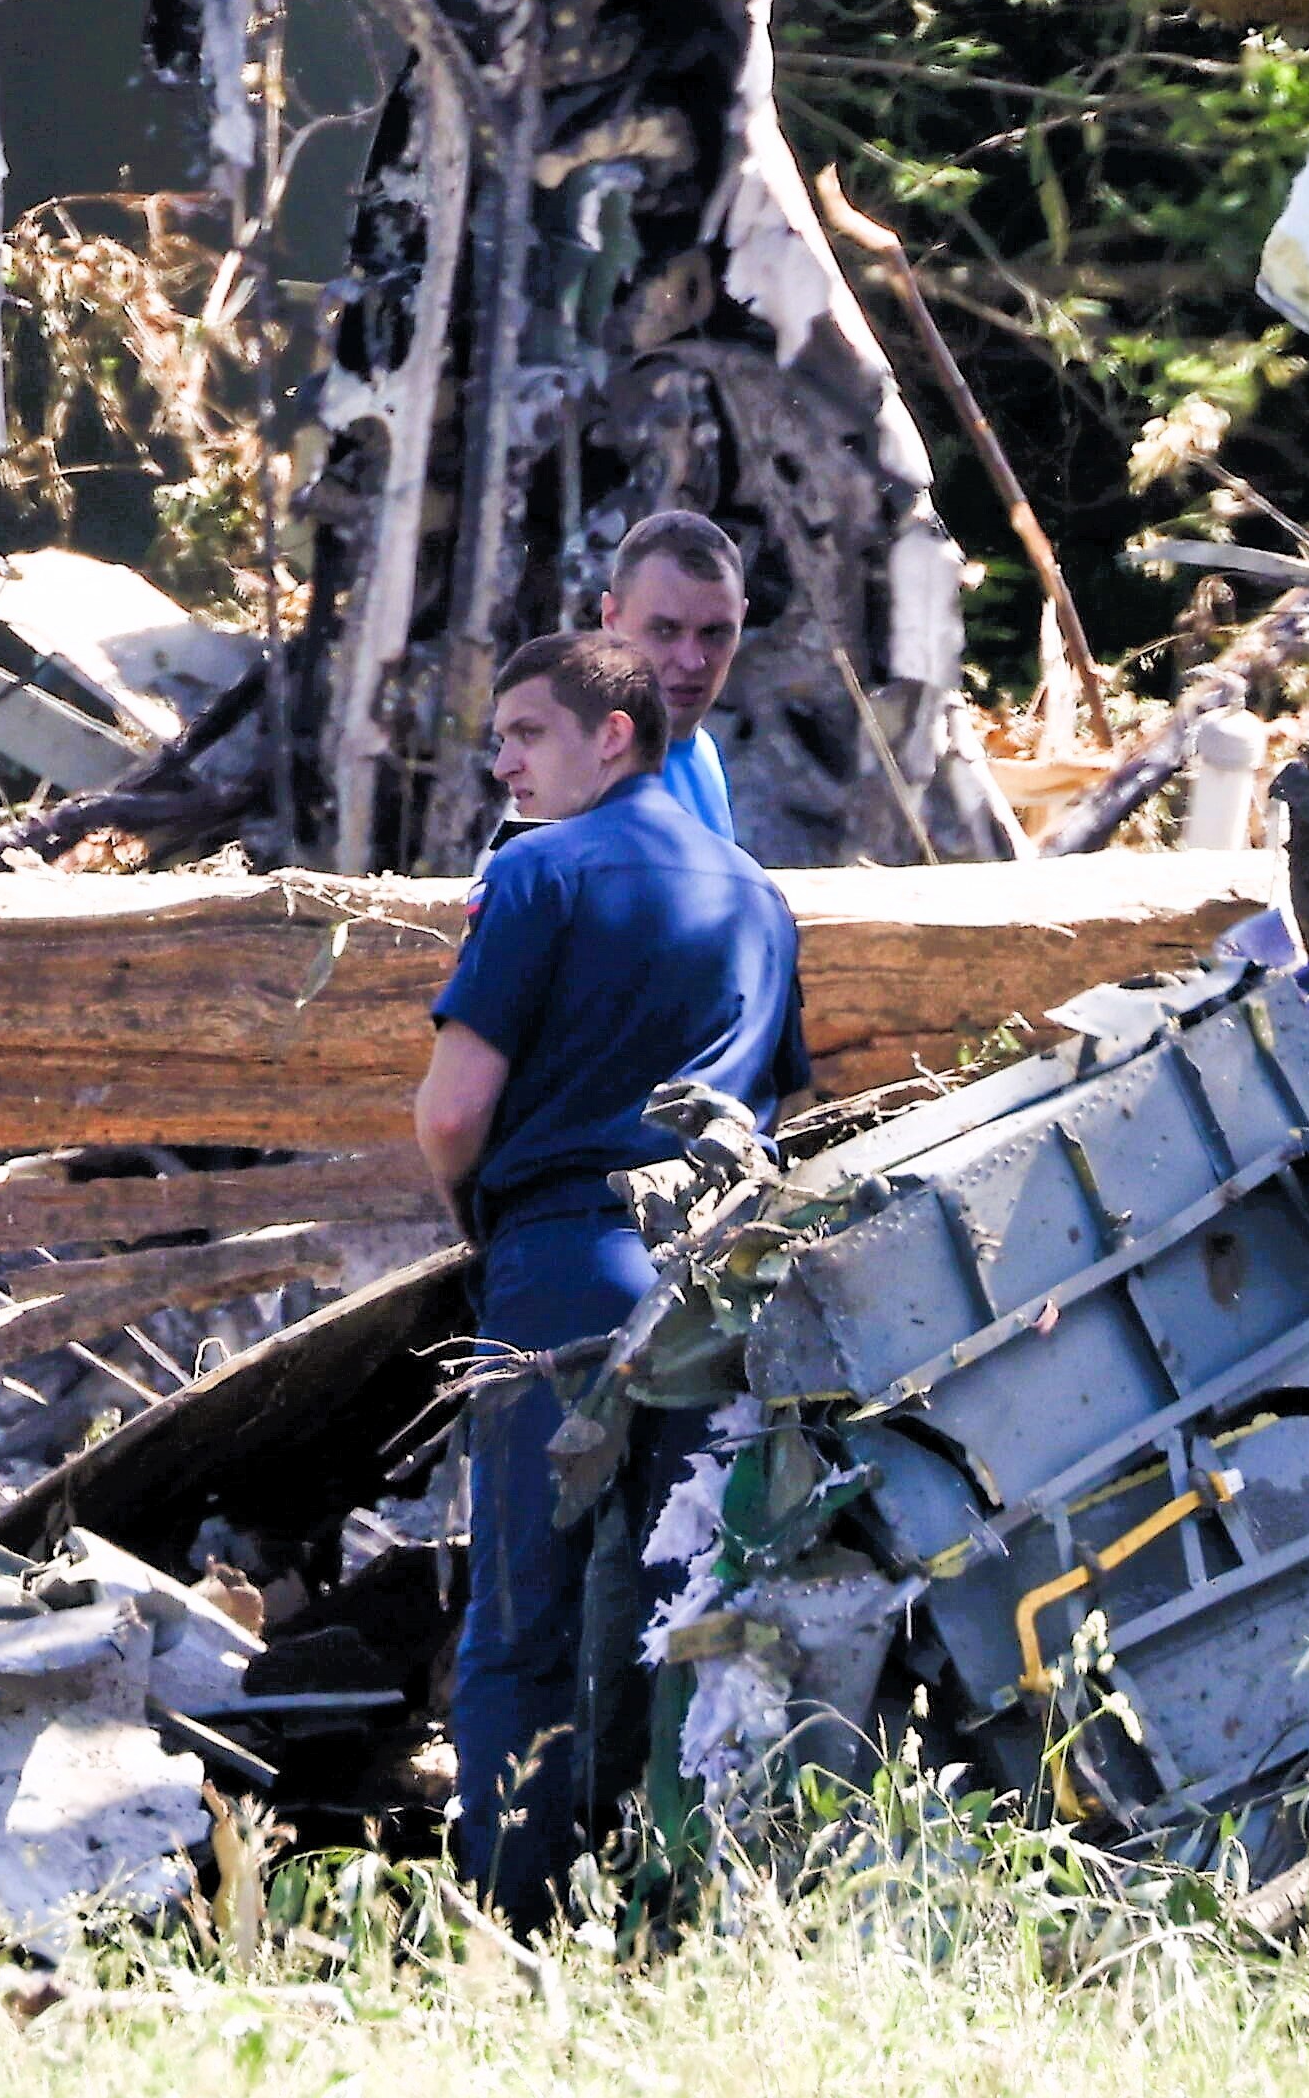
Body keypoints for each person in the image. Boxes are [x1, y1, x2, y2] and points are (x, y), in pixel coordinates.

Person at [408, 632, 805, 1932]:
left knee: (524, 1622)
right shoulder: (757, 898)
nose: (502, 761)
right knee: (683, 1615)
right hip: (717, 1291)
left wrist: (483, 1229)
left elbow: (451, 1112)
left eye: (526, 733)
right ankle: (668, 1922)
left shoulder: (535, 875)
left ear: (612, 735)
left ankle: (513, 1939)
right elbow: (775, 1118)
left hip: (566, 1268)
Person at [601, 508, 753, 848]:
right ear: (611, 619)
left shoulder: (704, 754)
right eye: (665, 630)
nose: (692, 660)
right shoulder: (578, 771)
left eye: (715, 633)